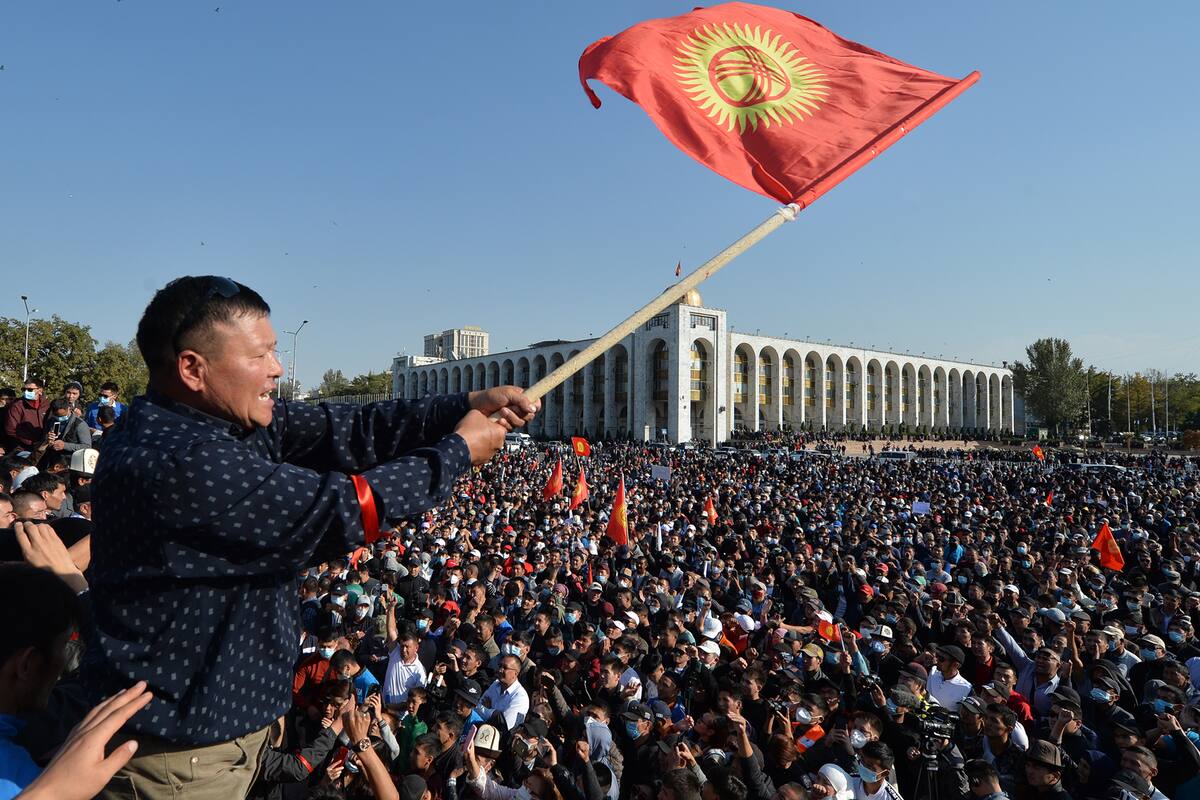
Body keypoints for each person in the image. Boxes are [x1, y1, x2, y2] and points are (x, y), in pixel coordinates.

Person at [83, 276, 537, 799]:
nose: (277, 368)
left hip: (219, 740)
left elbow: (351, 427)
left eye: (275, 351)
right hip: (177, 763)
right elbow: (341, 509)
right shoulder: (182, 460)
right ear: (192, 368)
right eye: (260, 356)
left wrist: (462, 403)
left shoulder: (218, 422)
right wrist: (456, 454)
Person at [4, 380, 46, 453]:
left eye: (30, 389)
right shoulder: (17, 406)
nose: (26, 392)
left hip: (43, 448)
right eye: (24, 389)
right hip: (22, 449)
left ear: (40, 390)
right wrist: (29, 442)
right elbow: (11, 430)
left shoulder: (47, 405)